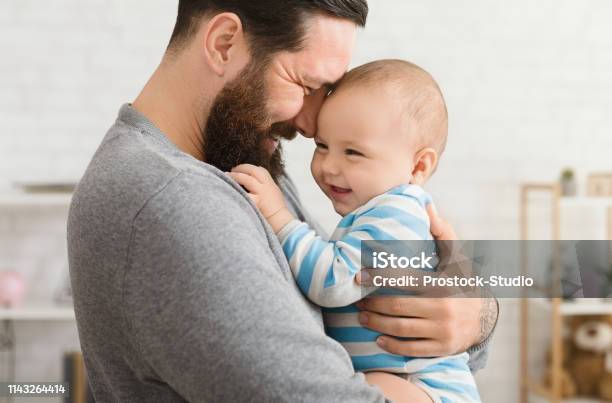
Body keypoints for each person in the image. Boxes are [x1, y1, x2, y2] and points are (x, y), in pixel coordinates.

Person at [67, 1, 497, 402]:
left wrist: (474, 317)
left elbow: (347, 292)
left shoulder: (238, 162)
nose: (311, 125)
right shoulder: (172, 200)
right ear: (224, 44)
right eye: (306, 85)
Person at [229, 59, 481, 403]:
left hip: (423, 387)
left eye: (353, 152)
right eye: (322, 146)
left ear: (418, 165)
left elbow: (334, 281)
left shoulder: (397, 214)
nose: (329, 166)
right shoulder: (376, 213)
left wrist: (279, 216)